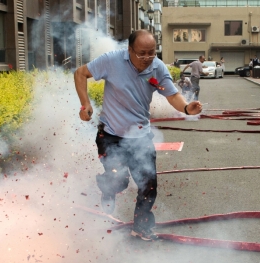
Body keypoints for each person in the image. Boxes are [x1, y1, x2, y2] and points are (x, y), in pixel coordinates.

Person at [74, 30, 203, 241]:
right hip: (110, 135)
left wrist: (187, 108)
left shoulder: (157, 68)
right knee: (120, 179)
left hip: (140, 137)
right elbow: (80, 73)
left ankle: (141, 227)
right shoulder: (112, 61)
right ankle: (107, 188)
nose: (146, 59)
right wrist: (85, 104)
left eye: (151, 53)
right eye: (141, 53)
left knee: (148, 185)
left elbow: (172, 96)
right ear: (130, 50)